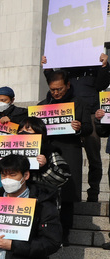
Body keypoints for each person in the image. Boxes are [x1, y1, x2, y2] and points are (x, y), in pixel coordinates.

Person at [43, 53, 110, 202]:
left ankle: (93, 193)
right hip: (64, 115)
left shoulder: (95, 67)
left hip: (90, 113)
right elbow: (54, 82)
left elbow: (102, 84)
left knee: (94, 157)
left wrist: (104, 66)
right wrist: (47, 67)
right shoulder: (67, 68)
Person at [38, 70, 92, 244]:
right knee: (45, 192)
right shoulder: (42, 105)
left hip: (69, 150)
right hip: (47, 151)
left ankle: (64, 233)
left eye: (59, 89)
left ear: (68, 85)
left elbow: (88, 128)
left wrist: (79, 127)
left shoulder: (78, 103)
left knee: (67, 193)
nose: (56, 93)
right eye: (53, 89)